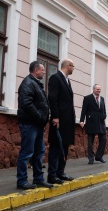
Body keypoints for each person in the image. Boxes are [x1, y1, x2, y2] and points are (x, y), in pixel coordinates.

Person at [16, 61, 52, 189]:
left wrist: (41, 120)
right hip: (29, 124)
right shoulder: (28, 83)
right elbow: (26, 104)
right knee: (27, 153)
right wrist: (39, 117)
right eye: (42, 69)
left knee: (38, 152)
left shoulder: (35, 83)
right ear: (36, 70)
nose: (44, 71)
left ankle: (38, 179)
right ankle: (21, 181)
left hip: (37, 125)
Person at [47, 59, 76, 184]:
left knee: (64, 146)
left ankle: (60, 172)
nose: (73, 69)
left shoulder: (67, 80)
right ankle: (52, 175)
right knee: (56, 146)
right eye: (73, 66)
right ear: (68, 66)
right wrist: (55, 117)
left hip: (67, 121)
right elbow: (52, 98)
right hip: (59, 120)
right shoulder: (55, 78)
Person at [80, 84, 107, 164]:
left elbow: (104, 110)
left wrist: (104, 116)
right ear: (94, 89)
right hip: (91, 122)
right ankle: (91, 158)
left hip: (101, 122)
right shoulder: (87, 98)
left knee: (103, 140)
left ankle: (99, 156)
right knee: (90, 142)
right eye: (97, 89)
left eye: (100, 89)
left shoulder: (102, 99)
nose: (99, 91)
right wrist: (82, 120)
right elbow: (83, 110)